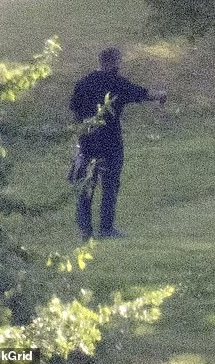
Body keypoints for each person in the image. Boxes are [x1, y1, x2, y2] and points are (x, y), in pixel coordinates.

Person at [69, 47, 166, 241]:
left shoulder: (83, 83)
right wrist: (162, 94)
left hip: (87, 142)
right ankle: (106, 229)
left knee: (86, 186)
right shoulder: (117, 83)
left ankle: (85, 232)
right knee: (110, 186)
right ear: (115, 62)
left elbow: (74, 108)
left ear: (100, 61)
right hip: (111, 142)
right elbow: (143, 94)